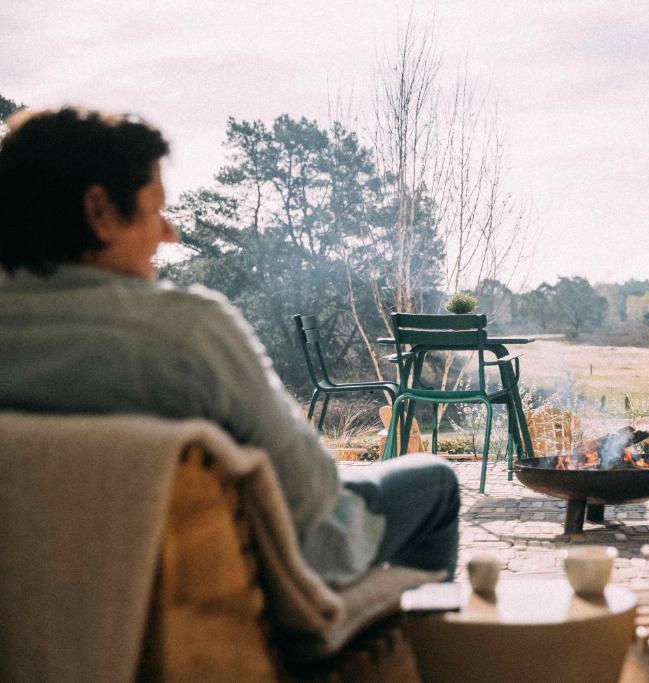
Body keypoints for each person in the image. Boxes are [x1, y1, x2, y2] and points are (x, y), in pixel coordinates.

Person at [0, 106, 460, 587]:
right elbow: (311, 492)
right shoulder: (187, 331)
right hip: (254, 580)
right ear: (101, 212)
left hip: (62, 583)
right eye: (157, 208)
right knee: (435, 481)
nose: (169, 232)